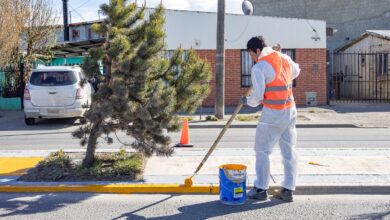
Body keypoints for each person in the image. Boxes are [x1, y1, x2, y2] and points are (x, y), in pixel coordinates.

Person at [240, 36, 300, 202]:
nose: (252, 58)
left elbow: (258, 97)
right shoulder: (284, 58)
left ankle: (260, 189)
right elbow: (296, 72)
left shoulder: (260, 67)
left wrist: (247, 101)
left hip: (272, 115)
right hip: (290, 111)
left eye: (252, 55)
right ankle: (288, 189)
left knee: (262, 151)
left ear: (258, 51)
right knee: (289, 152)